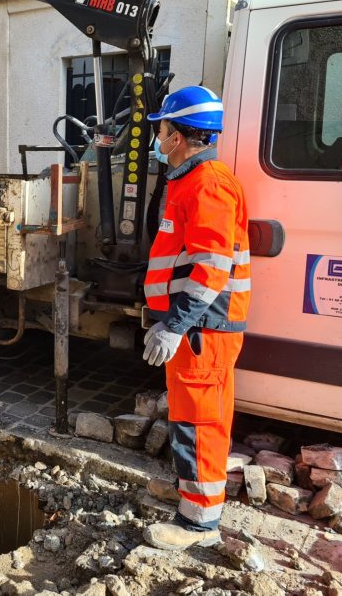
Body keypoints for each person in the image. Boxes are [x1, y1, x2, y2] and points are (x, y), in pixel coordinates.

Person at [140, 86, 251, 551]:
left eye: (162, 130)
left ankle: (199, 527)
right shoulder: (191, 180)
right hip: (196, 329)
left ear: (180, 136)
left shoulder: (208, 184)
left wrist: (175, 323)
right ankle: (193, 502)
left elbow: (211, 269)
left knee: (199, 423)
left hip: (203, 329)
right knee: (193, 417)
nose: (158, 138)